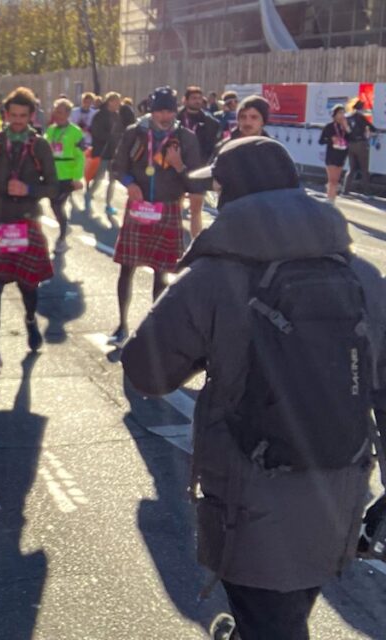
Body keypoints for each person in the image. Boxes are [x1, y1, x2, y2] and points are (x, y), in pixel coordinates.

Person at [122, 136, 386, 640]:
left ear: (230, 196)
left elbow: (146, 372)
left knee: (269, 619)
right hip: (341, 487)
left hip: (248, 490)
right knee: (286, 609)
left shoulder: (216, 276)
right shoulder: (362, 276)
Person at [0, 87, 59, 376]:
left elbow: (54, 187)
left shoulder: (40, 145)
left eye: (23, 116)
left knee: (28, 286)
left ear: (31, 115)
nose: (18, 120)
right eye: (13, 115)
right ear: (6, 115)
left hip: (27, 219)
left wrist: (30, 188)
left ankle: (31, 319)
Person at [109, 86, 204, 345]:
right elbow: (117, 166)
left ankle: (154, 327)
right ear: (151, 111)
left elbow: (196, 181)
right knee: (126, 268)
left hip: (168, 209)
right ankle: (122, 323)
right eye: (160, 110)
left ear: (176, 111)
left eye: (169, 110)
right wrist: (129, 183)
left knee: (162, 273)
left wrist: (179, 166)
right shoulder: (134, 133)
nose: (164, 116)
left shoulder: (186, 138)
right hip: (138, 209)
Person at [44, 98, 86, 253]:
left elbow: (80, 157)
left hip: (67, 174)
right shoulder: (51, 130)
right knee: (52, 204)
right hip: (51, 174)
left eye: (61, 112)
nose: (57, 115)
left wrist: (77, 177)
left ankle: (62, 238)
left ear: (68, 114)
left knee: (58, 204)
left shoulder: (75, 132)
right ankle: (64, 225)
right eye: (56, 111)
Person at [178, 86, 221, 222]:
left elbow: (215, 147)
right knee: (175, 209)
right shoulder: (175, 119)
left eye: (199, 99)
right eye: (193, 98)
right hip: (176, 168)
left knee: (196, 212)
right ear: (185, 100)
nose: (197, 101)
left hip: (198, 170)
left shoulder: (211, 123)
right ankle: (174, 240)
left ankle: (196, 241)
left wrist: (207, 166)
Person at [87, 91, 124, 216]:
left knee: (113, 180)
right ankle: (89, 195)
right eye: (117, 101)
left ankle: (108, 205)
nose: (119, 104)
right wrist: (110, 137)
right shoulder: (99, 115)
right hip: (102, 152)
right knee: (98, 178)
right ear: (110, 102)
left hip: (114, 153)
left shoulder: (117, 116)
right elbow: (96, 132)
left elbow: (120, 132)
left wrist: (119, 141)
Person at [343, 100, 380, 197]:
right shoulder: (360, 117)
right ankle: (367, 193)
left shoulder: (347, 117)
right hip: (361, 144)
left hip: (350, 145)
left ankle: (345, 192)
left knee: (351, 169)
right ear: (361, 108)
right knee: (364, 169)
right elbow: (372, 128)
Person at [319, 105, 349, 203]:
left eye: (343, 113)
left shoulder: (345, 127)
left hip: (342, 154)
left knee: (336, 180)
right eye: (340, 113)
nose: (342, 115)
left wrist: (347, 128)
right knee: (332, 179)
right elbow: (321, 141)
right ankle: (330, 200)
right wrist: (331, 140)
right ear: (335, 115)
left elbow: (351, 138)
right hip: (331, 155)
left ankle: (332, 198)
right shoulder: (329, 126)